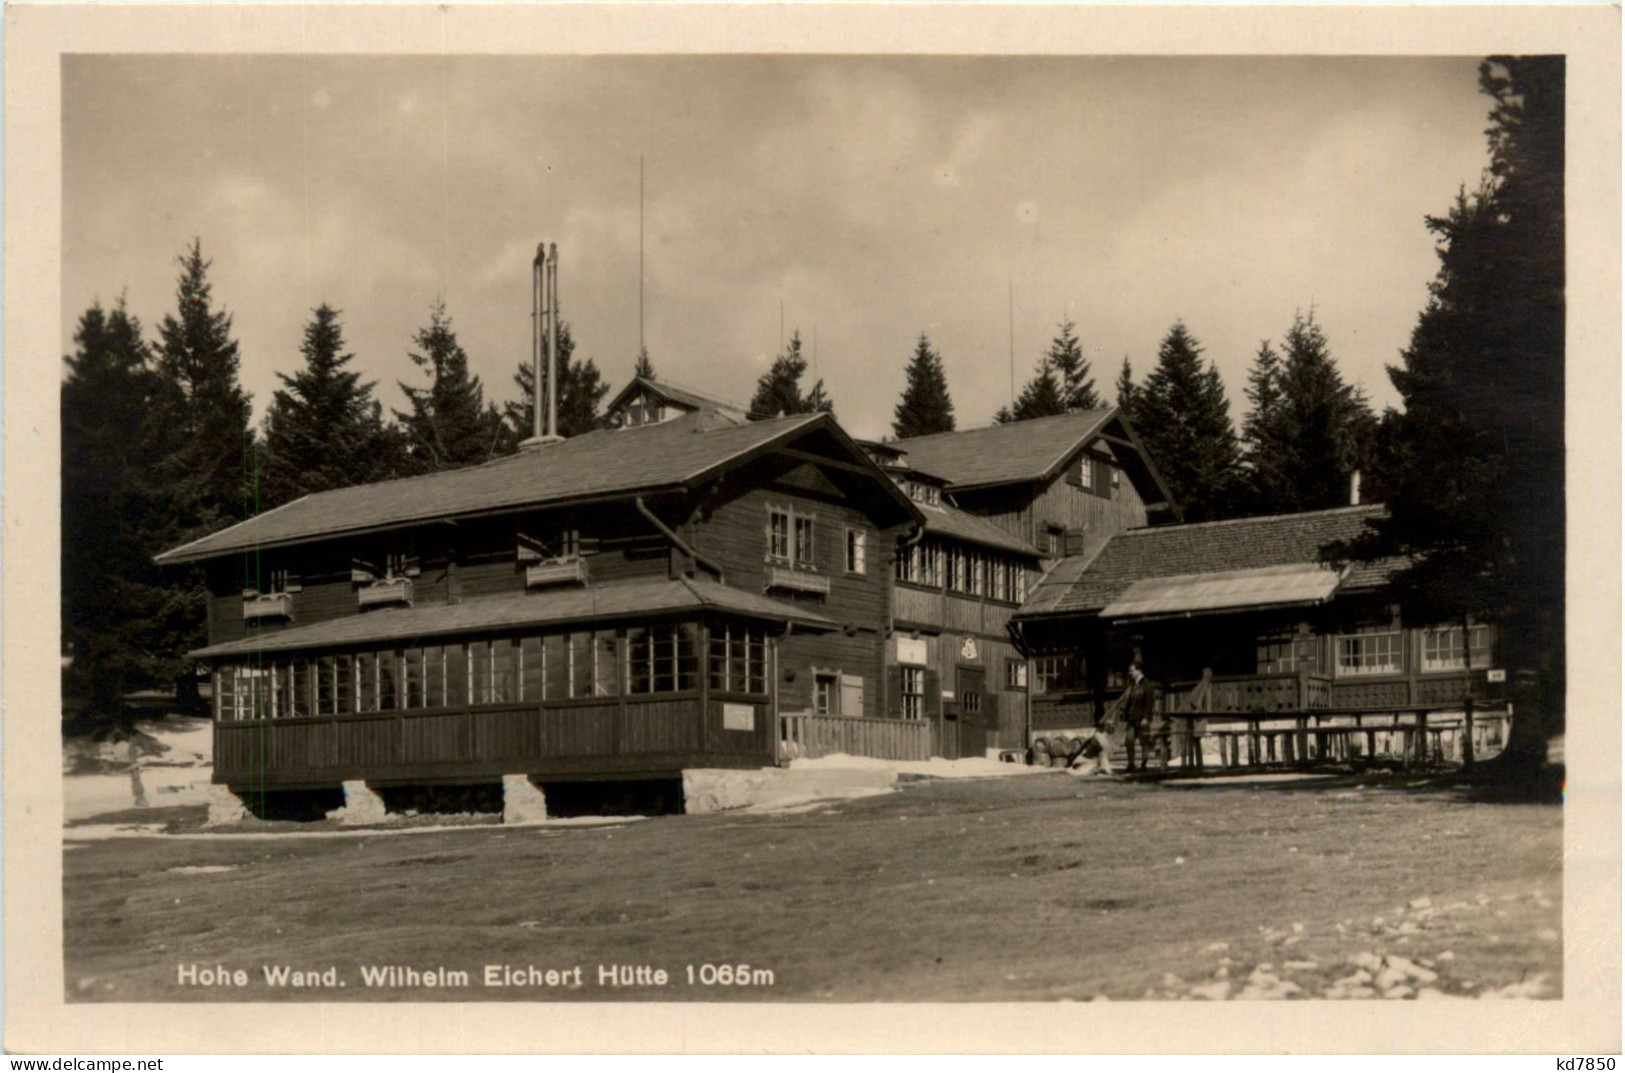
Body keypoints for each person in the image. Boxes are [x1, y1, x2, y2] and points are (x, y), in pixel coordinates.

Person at [1121, 661, 1161, 773]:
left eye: (1132, 670)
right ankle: (1131, 764)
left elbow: (1149, 703)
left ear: (1139, 671)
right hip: (1132, 719)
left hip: (1142, 719)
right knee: (1129, 741)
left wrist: (1145, 718)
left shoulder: (1147, 685)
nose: (1130, 673)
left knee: (1144, 742)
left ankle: (1144, 765)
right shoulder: (1133, 685)